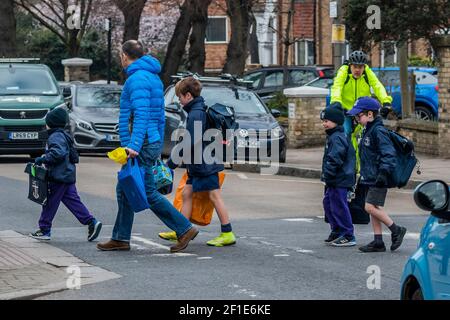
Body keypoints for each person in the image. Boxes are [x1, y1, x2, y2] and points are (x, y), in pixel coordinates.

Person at [97, 40, 198, 253]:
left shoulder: (137, 79)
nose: (120, 58)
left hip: (140, 143)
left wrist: (134, 145)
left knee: (146, 191)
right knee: (125, 187)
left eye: (120, 55)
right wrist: (157, 142)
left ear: (125, 56)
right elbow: (158, 117)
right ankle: (120, 237)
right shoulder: (152, 77)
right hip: (149, 141)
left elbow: (141, 114)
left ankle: (184, 228)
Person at [160, 76, 236, 247]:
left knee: (214, 196)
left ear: (188, 96)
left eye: (179, 96)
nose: (179, 100)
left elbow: (191, 141)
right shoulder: (197, 110)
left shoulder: (196, 113)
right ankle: (182, 229)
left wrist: (172, 162)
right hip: (198, 163)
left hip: (205, 164)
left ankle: (227, 232)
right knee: (187, 194)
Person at [30, 107, 102, 241]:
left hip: (58, 176)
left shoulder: (55, 136)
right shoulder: (64, 135)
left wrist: (43, 158)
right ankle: (91, 222)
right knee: (73, 201)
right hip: (67, 174)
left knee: (49, 202)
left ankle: (44, 229)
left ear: (51, 123)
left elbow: (58, 153)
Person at [347, 97, 407, 253]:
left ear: (370, 114)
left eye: (358, 116)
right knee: (374, 207)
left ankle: (396, 229)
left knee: (369, 207)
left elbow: (388, 154)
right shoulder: (368, 130)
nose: (356, 119)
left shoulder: (378, 131)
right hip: (370, 176)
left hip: (378, 177)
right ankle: (378, 241)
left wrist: (383, 174)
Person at [329, 50, 393, 136]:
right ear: (350, 65)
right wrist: (336, 102)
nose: (357, 70)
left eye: (360, 67)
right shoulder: (344, 71)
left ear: (364, 66)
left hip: (362, 111)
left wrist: (386, 101)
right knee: (345, 132)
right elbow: (337, 86)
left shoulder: (367, 72)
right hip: (346, 111)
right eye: (355, 66)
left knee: (367, 134)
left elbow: (377, 85)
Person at [320, 107, 356, 247]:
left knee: (339, 206)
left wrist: (328, 174)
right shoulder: (333, 136)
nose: (324, 124)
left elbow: (335, 159)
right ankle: (336, 230)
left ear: (336, 122)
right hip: (334, 179)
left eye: (327, 121)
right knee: (328, 203)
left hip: (339, 178)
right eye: (323, 121)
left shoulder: (338, 137)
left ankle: (348, 234)